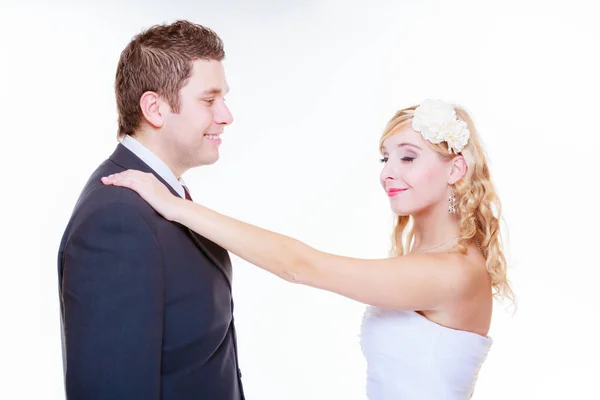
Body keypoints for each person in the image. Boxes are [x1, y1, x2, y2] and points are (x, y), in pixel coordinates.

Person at [102, 99, 515, 399]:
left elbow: (300, 266)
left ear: (456, 170)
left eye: (407, 158)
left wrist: (176, 206)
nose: (388, 173)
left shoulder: (453, 272)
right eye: (384, 158)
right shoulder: (426, 262)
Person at [57, 20, 245, 399]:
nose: (226, 115)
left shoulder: (162, 197)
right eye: (209, 100)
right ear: (154, 108)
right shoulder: (117, 220)